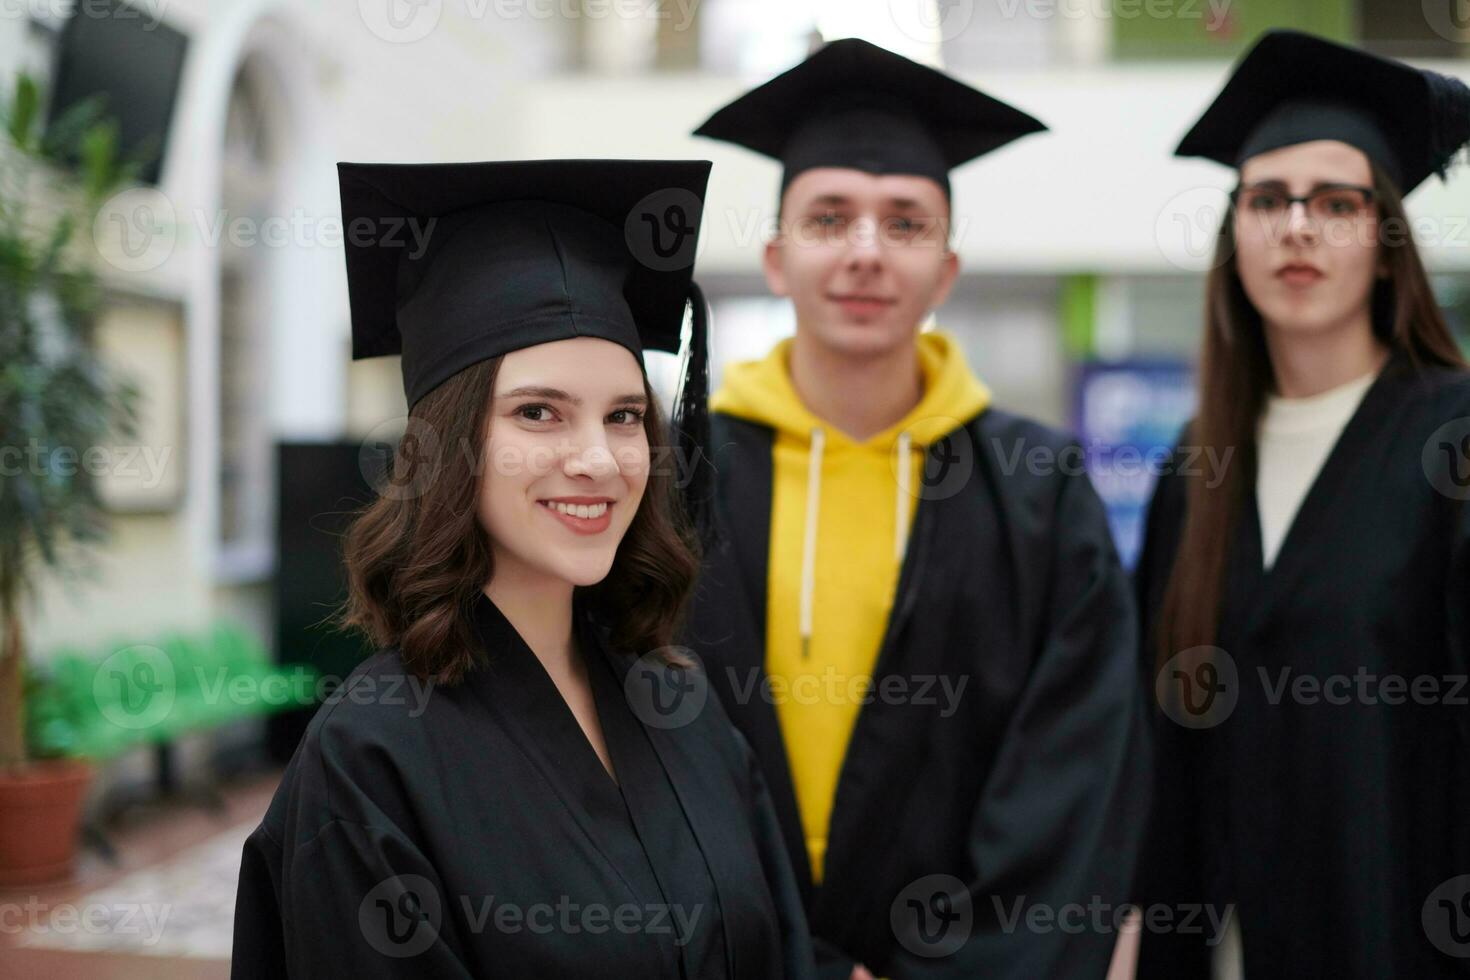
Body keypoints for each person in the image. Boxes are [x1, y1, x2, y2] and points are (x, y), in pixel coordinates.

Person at [230, 158, 816, 979]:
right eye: (538, 412)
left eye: (622, 417)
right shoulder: (368, 763)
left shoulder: (679, 703)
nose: (597, 460)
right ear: (451, 441)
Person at [687, 38, 1149, 978]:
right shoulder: (672, 479)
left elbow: (1073, 778)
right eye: (830, 217)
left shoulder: (1038, 489)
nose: (865, 250)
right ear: (777, 259)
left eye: (905, 221)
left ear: (945, 270)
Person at [1134, 30, 1470, 979]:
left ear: (1386, 234)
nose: (1297, 227)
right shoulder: (1195, 470)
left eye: (1336, 202)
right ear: (1232, 232)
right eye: (1266, 200)